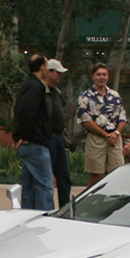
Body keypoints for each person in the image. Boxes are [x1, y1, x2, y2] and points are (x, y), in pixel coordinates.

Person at [12, 54, 54, 211]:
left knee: (29, 186)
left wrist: (19, 137)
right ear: (42, 67)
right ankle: (45, 219)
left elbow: (19, 111)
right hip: (36, 143)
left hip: (29, 143)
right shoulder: (36, 87)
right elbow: (25, 113)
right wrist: (25, 136)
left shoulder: (27, 85)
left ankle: (28, 217)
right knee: (45, 185)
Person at [77, 63, 127, 186]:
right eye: (98, 74)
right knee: (95, 173)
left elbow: (123, 118)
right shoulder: (86, 97)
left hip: (115, 138)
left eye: (104, 74)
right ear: (93, 76)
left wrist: (116, 133)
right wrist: (105, 134)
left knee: (117, 172)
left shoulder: (115, 96)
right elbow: (85, 121)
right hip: (96, 138)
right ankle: (90, 201)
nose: (101, 77)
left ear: (108, 77)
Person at [45, 59, 72, 208]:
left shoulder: (57, 93)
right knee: (47, 177)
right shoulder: (43, 91)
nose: (60, 76)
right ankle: (48, 208)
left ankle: (65, 207)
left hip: (59, 137)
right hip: (48, 137)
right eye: (58, 72)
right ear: (49, 72)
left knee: (64, 176)